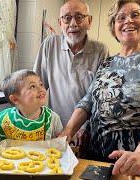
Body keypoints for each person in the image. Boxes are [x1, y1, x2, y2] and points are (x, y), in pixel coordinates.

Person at [57, 0, 140, 180]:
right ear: (114, 26)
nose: (128, 21)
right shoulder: (108, 62)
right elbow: (88, 101)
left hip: (131, 158)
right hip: (94, 154)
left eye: (135, 15)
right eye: (121, 17)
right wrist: (67, 132)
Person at [33, 0, 109, 156]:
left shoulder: (101, 50)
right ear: (60, 22)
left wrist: (83, 127)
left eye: (79, 17)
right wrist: (32, 122)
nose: (73, 23)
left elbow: (100, 98)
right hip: (55, 129)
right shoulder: (50, 44)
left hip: (86, 133)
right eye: (67, 18)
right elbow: (36, 87)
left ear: (89, 21)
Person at [0, 69, 63, 146]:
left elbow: (60, 144)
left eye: (40, 84)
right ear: (15, 99)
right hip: (13, 164)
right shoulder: (7, 118)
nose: (41, 89)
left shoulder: (53, 119)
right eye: (32, 86)